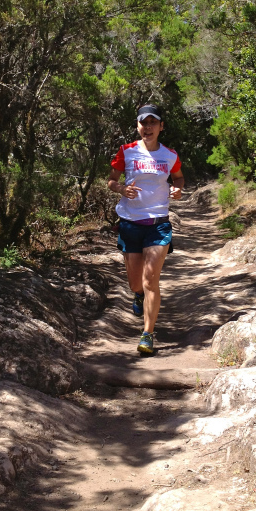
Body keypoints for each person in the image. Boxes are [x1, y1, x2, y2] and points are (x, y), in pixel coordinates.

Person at [108, 104, 184, 354]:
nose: (148, 127)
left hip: (158, 224)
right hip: (130, 223)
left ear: (161, 126)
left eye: (153, 123)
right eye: (144, 123)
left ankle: (147, 334)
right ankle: (137, 295)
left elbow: (179, 177)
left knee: (151, 280)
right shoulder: (127, 152)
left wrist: (177, 188)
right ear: (138, 126)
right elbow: (111, 180)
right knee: (135, 282)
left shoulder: (170, 155)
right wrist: (121, 189)